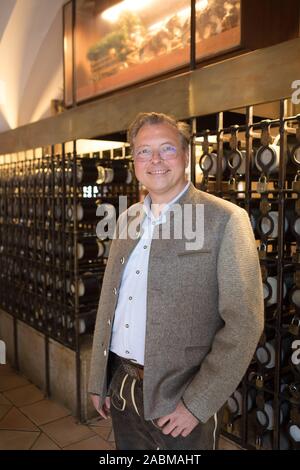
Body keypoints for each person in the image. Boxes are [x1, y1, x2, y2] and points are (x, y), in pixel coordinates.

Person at [88, 112, 264, 450]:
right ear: (134, 159)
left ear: (186, 155)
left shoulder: (224, 219)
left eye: (167, 148)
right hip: (122, 387)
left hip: (180, 399)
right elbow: (111, 304)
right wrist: (99, 378)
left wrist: (197, 404)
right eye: (143, 151)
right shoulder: (126, 219)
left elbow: (245, 322)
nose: (154, 160)